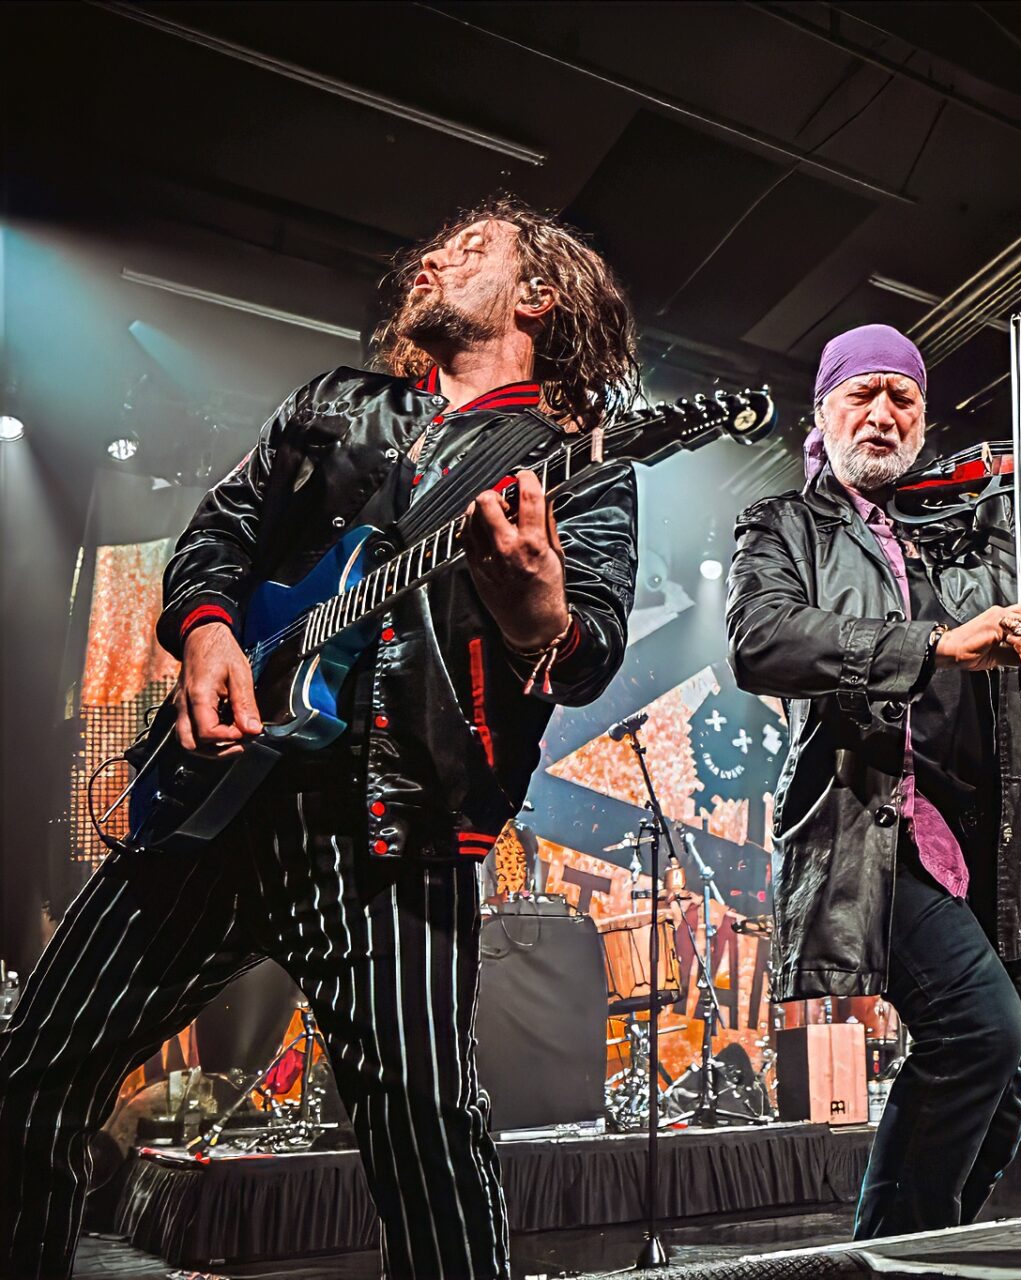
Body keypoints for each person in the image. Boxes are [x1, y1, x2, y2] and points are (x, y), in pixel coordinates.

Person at [0, 199, 641, 1278]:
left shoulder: (575, 461)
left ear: (539, 296)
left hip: (392, 827)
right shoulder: (338, 406)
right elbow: (221, 528)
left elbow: (588, 650)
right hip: (213, 804)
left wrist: (542, 617)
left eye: (470, 249)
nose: (430, 259)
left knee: (424, 1140)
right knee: (32, 1083)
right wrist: (208, 629)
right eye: (435, 247)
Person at [726, 324, 1021, 1236]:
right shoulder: (785, 526)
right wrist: (936, 645)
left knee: (1004, 1098)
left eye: (902, 398)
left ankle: (905, 1246)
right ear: (823, 414)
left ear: (923, 419)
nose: (882, 414)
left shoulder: (977, 525)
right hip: (878, 834)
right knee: (979, 1033)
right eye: (862, 395)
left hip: (992, 841)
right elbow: (763, 640)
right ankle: (895, 1258)